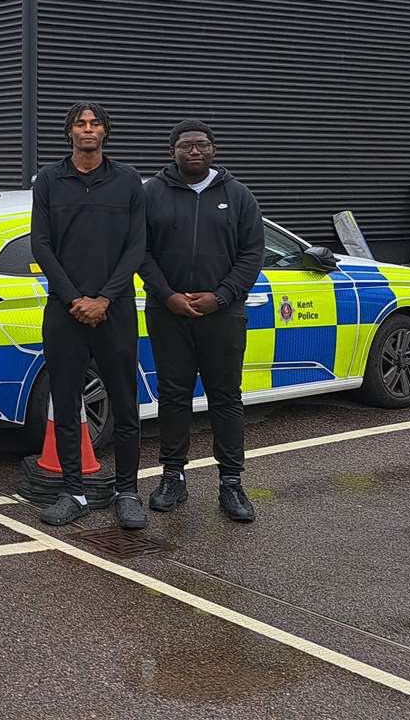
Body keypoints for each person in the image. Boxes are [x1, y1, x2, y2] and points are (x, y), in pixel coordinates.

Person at [140, 121, 264, 524]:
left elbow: (252, 254)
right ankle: (172, 478)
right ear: (171, 151)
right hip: (167, 312)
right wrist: (168, 295)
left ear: (214, 150)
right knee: (173, 396)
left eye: (202, 145)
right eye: (186, 145)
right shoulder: (151, 193)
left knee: (225, 397)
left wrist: (221, 296)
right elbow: (140, 252)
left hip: (223, 314)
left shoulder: (239, 195)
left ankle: (231, 482)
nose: (194, 151)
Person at [30, 102, 147, 529]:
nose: (87, 129)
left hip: (115, 311)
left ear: (105, 132)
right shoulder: (48, 180)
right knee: (65, 401)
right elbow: (41, 245)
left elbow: (138, 246)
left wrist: (105, 298)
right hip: (65, 310)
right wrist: (75, 297)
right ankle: (73, 491)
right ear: (69, 133)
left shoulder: (128, 179)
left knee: (125, 402)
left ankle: (128, 492)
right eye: (80, 124)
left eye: (95, 123)